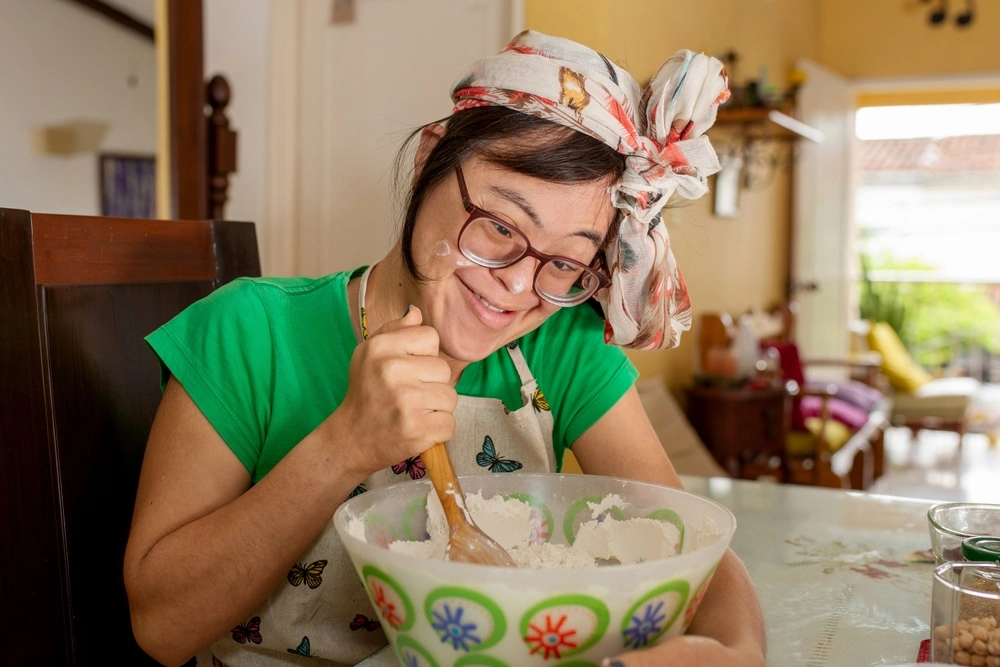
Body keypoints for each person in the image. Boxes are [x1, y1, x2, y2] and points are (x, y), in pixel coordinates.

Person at [123, 30, 766, 667]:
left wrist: (734, 656)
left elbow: (697, 550)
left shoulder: (561, 344)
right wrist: (342, 447)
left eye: (567, 262)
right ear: (432, 156)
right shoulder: (250, 333)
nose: (518, 285)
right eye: (498, 226)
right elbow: (162, 628)